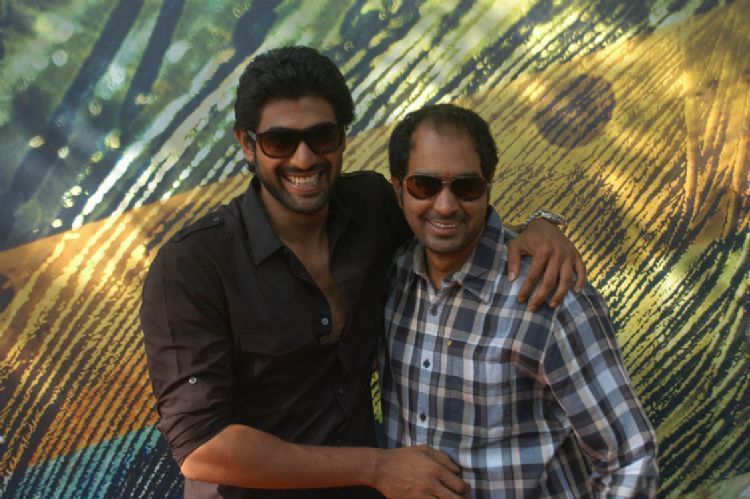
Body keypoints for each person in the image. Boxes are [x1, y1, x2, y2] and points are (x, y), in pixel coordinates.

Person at [140, 46, 585, 499]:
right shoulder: (192, 266)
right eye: (279, 142)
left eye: (322, 136)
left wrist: (539, 227)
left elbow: (449, 217)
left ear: (342, 138)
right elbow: (203, 447)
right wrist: (376, 467)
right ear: (247, 145)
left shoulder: (373, 206)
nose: (303, 159)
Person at [381, 103, 659, 498]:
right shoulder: (392, 277)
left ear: (488, 186)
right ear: (398, 189)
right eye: (424, 186)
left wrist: (545, 222)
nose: (445, 205)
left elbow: (630, 458)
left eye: (466, 187)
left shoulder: (547, 292)